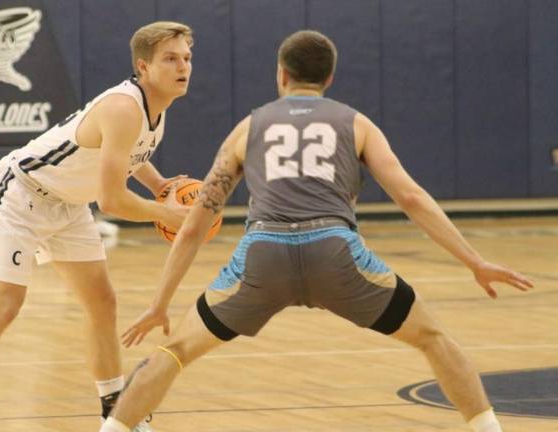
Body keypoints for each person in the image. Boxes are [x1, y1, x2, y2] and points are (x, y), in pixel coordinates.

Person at [100, 30, 533, 432]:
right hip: (336, 252)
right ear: (328, 77)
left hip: (263, 255)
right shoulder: (356, 123)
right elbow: (412, 198)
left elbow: (195, 226)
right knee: (435, 339)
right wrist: (475, 261)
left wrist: (160, 304)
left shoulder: (248, 128)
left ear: (282, 74)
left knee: (174, 352)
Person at [0, 21, 195, 432]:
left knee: (102, 303)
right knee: (3, 307)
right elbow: (110, 201)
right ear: (143, 67)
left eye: (186, 58)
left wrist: (160, 186)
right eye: (170, 58)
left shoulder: (155, 111)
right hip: (22, 191)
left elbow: (129, 155)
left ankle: (114, 411)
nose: (183, 66)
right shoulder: (124, 108)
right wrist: (164, 213)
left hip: (68, 205)